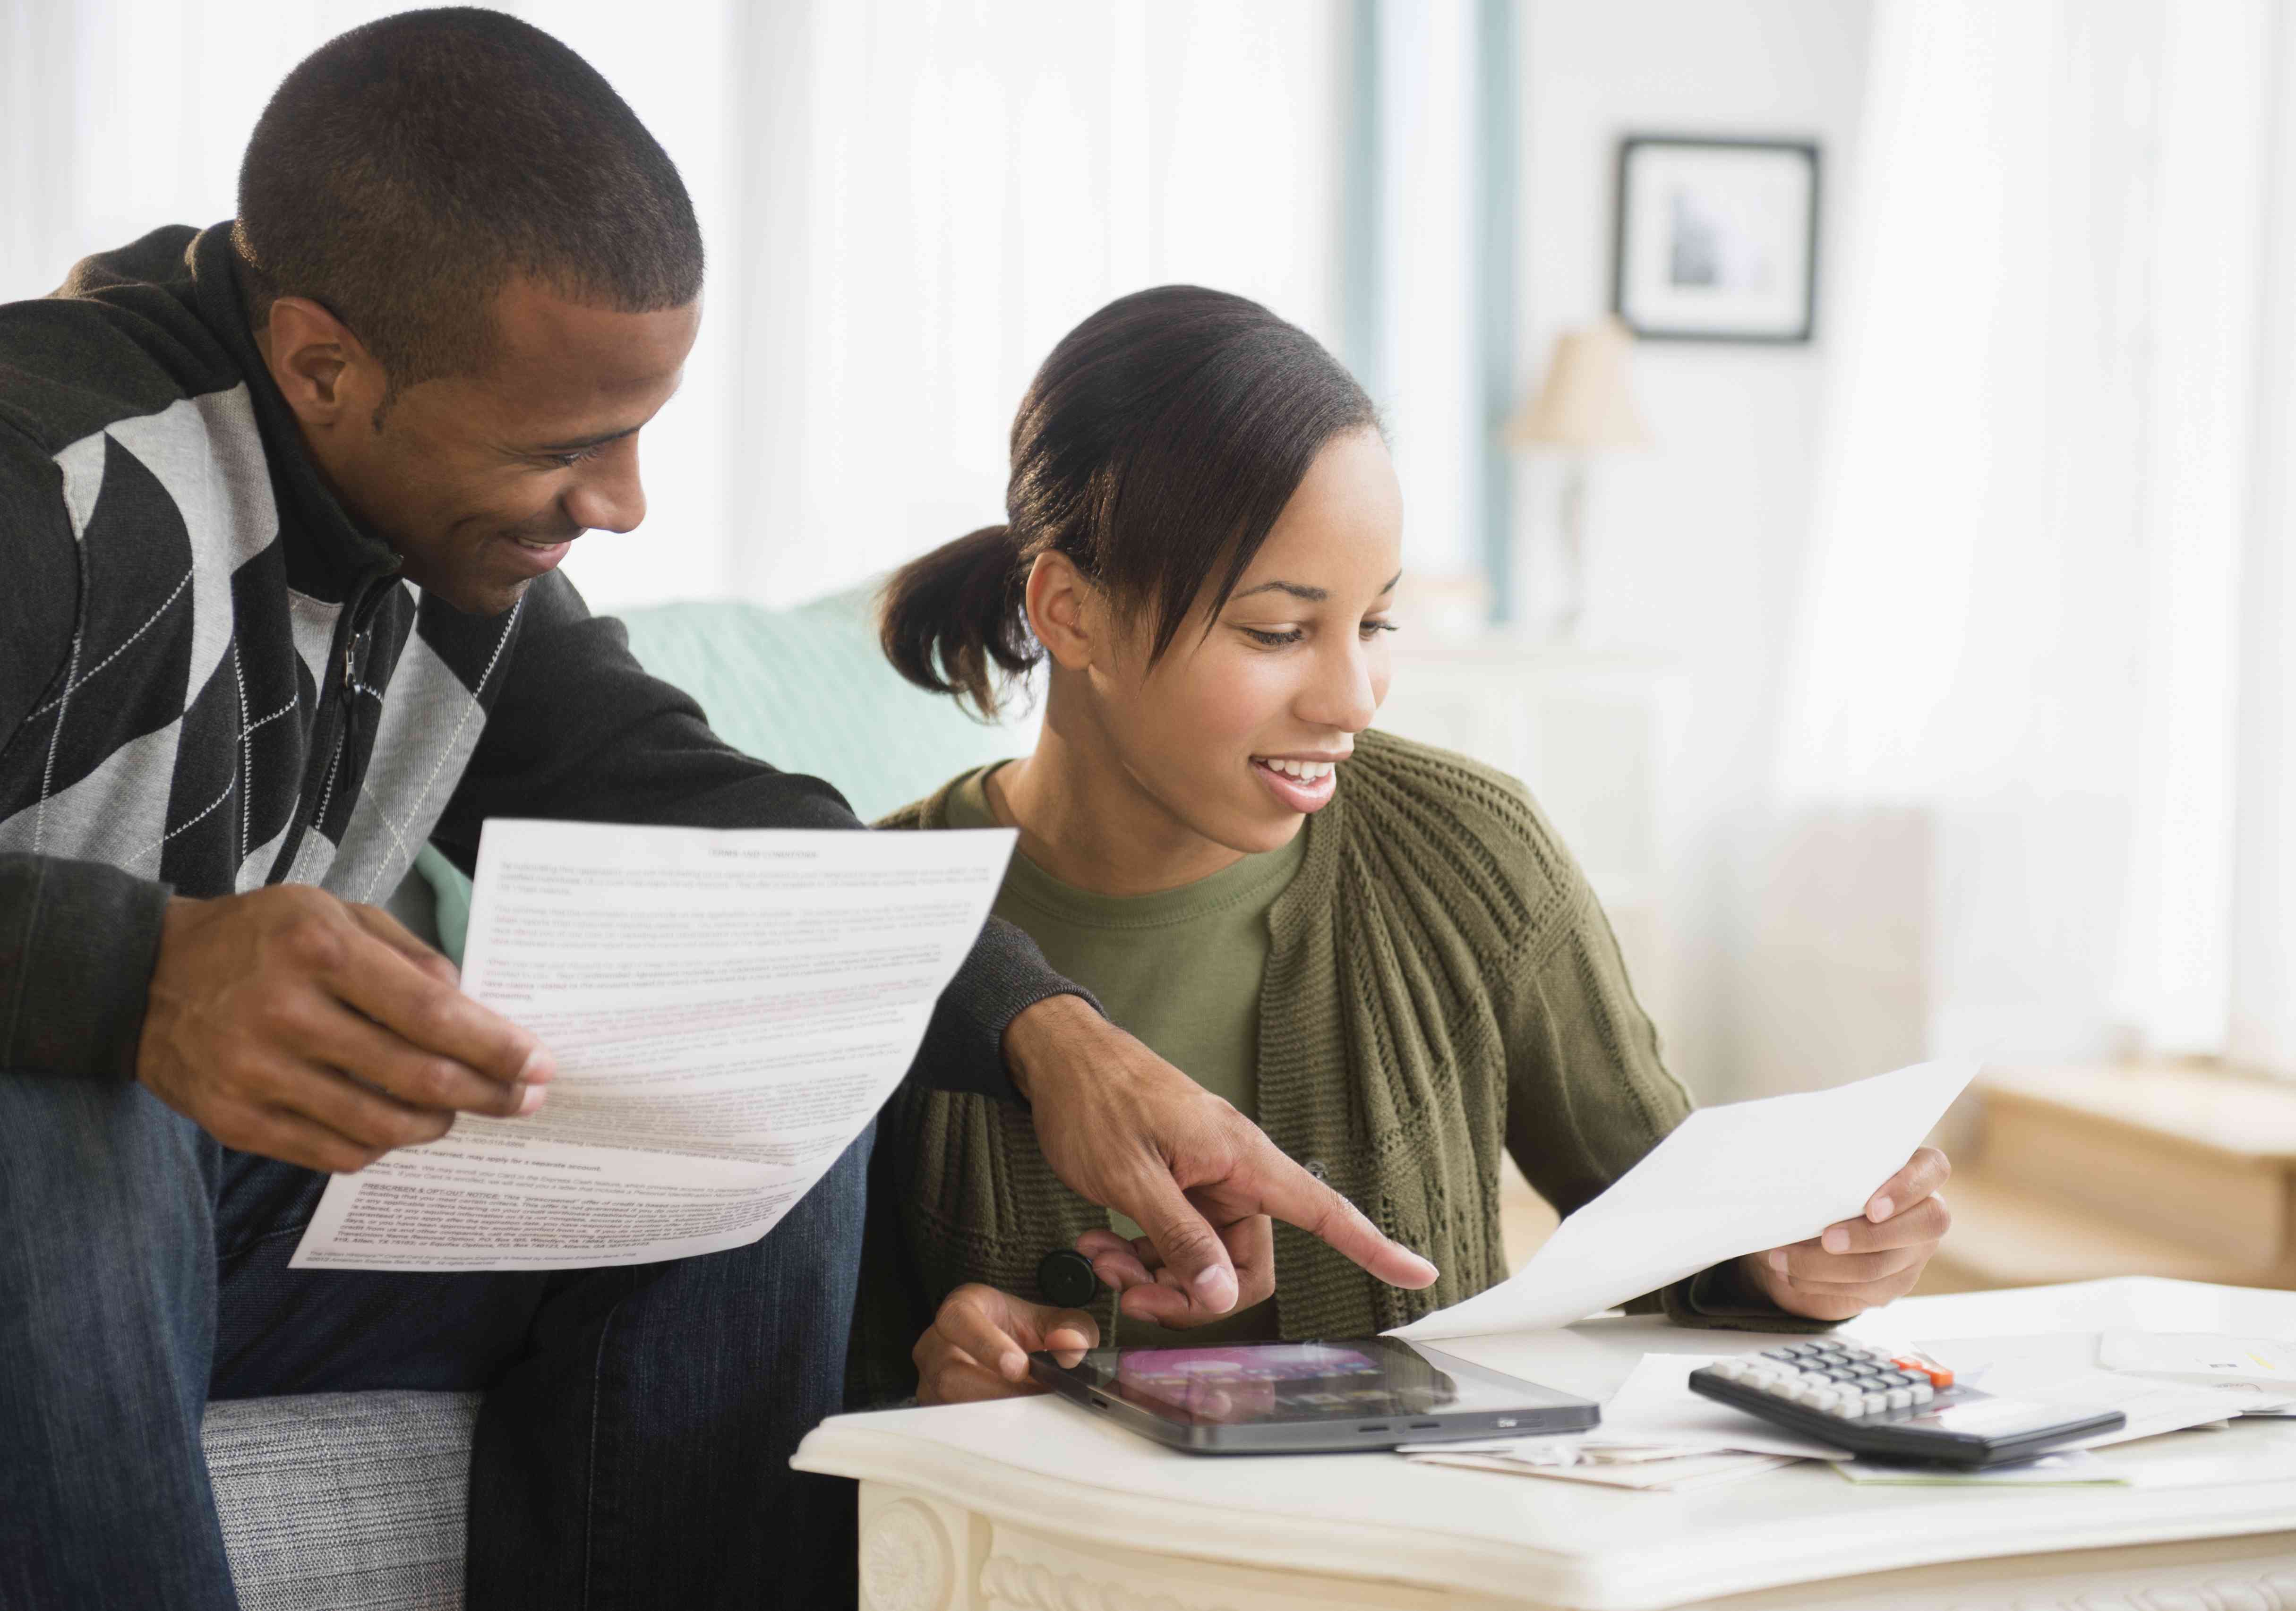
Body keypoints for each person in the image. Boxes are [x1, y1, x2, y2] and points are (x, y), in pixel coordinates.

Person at [0, 15, 1433, 1610]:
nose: (621, 505)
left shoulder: (434, 541)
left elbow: (690, 801)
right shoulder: (48, 476)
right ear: (321, 362)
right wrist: (144, 970)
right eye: (566, 446)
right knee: (63, 1105)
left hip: (201, 1226)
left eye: (635, 433)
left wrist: (1053, 1037)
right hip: (57, 1196)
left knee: (740, 1117)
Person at [855, 287, 1953, 1406]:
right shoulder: (870, 926)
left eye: (1374, 623)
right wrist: (931, 1378)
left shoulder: (1469, 851)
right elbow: (790, 1388)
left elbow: (1666, 1218)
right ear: (1069, 611)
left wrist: (1782, 1259)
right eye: (1278, 631)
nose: (1352, 697)